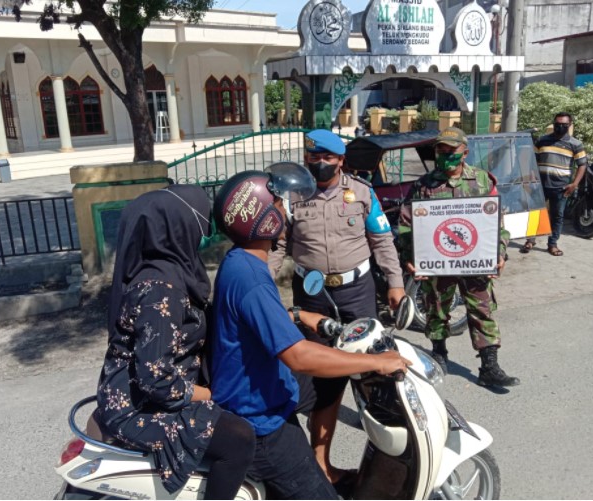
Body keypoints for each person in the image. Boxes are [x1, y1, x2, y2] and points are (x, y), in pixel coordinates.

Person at [210, 163, 411, 500]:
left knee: (328, 384)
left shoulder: (241, 261)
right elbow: (300, 357)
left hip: (259, 386)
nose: (285, 208)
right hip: (261, 420)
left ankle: (322, 459)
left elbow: (256, 319)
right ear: (264, 219)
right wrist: (374, 363)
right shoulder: (251, 279)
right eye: (277, 204)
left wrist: (297, 314)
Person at [96, 185, 255, 499]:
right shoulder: (160, 287)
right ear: (176, 229)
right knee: (239, 439)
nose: (201, 235)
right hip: (137, 408)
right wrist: (212, 395)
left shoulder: (171, 273)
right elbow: (154, 379)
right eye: (198, 226)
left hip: (153, 392)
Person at [266, 129, 405, 487]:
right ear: (308, 158)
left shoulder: (362, 192)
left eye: (328, 157)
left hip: (357, 292)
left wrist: (395, 283)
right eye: (315, 157)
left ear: (341, 160)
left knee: (375, 375)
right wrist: (261, 284)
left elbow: (382, 240)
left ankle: (392, 460)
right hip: (312, 297)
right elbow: (278, 247)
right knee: (324, 380)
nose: (321, 163)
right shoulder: (294, 195)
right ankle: (320, 463)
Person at [396, 127, 520, 388]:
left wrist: (499, 253)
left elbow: (497, 223)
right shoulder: (424, 185)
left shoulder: (483, 182)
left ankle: (489, 366)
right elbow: (407, 224)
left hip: (475, 261)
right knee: (436, 309)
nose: (444, 155)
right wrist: (409, 256)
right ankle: (439, 355)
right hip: (437, 263)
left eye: (450, 150)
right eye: (440, 150)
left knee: (482, 310)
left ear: (465, 151)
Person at [521, 112, 587, 256]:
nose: (560, 127)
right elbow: (533, 160)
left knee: (557, 216)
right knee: (534, 214)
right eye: (557, 124)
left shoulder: (575, 144)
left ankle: (552, 244)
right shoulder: (542, 141)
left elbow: (582, 165)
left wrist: (574, 184)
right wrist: (531, 178)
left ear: (569, 125)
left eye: (564, 124)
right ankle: (530, 240)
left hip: (561, 188)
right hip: (539, 186)